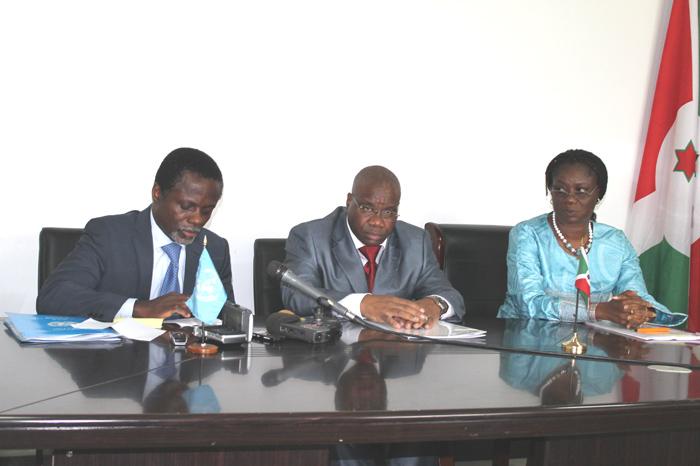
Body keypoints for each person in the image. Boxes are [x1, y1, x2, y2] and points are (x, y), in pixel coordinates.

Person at [36, 147, 234, 321]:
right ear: (157, 193)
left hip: (188, 352)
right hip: (120, 352)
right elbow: (54, 296)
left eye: (206, 211)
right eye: (186, 207)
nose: (197, 220)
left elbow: (226, 317)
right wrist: (139, 308)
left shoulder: (215, 249)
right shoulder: (109, 236)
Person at [497, 149, 686, 328]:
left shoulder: (616, 241)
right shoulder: (527, 234)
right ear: (550, 191)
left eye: (581, 190)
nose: (570, 199)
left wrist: (643, 311)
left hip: (594, 341)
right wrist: (599, 311)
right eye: (560, 189)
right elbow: (528, 303)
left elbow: (636, 296)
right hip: (527, 338)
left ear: (599, 194)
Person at [282, 165, 465, 329]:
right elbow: (297, 295)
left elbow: (450, 295)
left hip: (396, 352)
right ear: (349, 201)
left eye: (388, 212)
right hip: (333, 353)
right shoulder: (310, 237)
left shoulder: (416, 242)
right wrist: (363, 304)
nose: (377, 221)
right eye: (367, 208)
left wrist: (434, 305)